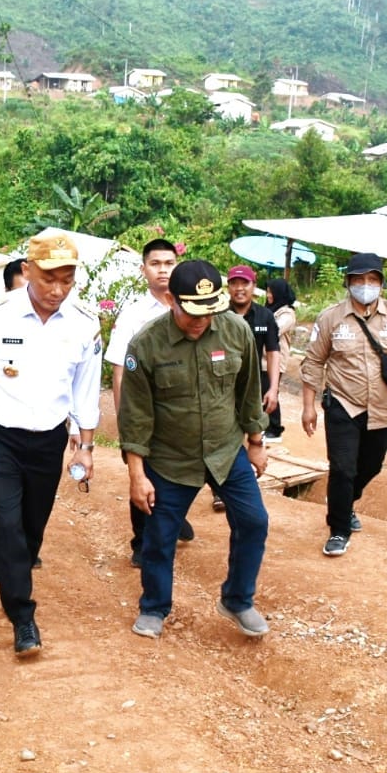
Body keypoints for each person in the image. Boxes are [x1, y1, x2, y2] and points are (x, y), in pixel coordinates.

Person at [0, 230, 102, 658]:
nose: (57, 289)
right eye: (49, 278)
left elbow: (87, 388)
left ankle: (18, 569)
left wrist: (85, 443)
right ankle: (23, 615)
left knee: (32, 525)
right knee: (6, 520)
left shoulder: (85, 323)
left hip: (48, 437)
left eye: (67, 280)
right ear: (27, 271)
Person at [119, 260, 271, 639]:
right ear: (171, 299)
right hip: (170, 459)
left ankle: (237, 600)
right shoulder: (146, 344)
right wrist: (137, 476)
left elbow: (249, 391)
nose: (202, 320)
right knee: (159, 538)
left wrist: (255, 443)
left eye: (210, 311)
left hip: (225, 451)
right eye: (192, 312)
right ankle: (154, 607)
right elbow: (135, 416)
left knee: (254, 522)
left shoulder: (235, 331)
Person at [300, 252, 387, 557]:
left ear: (381, 284)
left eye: (372, 279)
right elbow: (314, 362)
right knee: (343, 469)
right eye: (359, 279)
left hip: (382, 410)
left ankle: (344, 504)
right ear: (348, 283)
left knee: (371, 465)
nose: (365, 285)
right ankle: (339, 529)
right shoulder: (330, 318)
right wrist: (308, 406)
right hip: (343, 406)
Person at [104, 238, 194, 567]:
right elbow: (119, 370)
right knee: (141, 473)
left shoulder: (191, 308)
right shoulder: (133, 316)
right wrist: (125, 419)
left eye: (169, 263)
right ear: (144, 270)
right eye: (155, 264)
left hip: (183, 411)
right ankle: (141, 541)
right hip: (146, 410)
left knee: (183, 471)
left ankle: (174, 518)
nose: (163, 270)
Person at [227, 265, 282, 440]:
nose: (239, 289)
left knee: (254, 434)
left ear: (254, 286)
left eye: (245, 283)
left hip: (253, 387)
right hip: (223, 387)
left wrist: (273, 388)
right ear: (228, 287)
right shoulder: (219, 314)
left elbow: (273, 352)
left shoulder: (265, 316)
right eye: (234, 283)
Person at [265, 278, 298, 443]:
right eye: (267, 291)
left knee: (271, 391)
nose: (268, 295)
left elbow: (274, 331)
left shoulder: (287, 313)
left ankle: (275, 428)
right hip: (262, 359)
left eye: (271, 291)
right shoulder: (268, 310)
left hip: (275, 360)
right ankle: (265, 426)